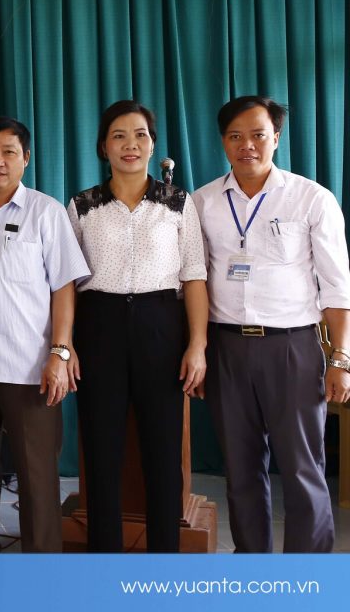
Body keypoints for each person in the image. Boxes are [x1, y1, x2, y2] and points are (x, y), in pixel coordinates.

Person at [193, 96, 350, 553]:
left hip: (292, 348)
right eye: (235, 136)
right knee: (240, 469)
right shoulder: (203, 202)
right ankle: (253, 569)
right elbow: (194, 280)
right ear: (223, 142)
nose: (247, 145)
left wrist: (341, 357)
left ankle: (307, 576)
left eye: (258, 135)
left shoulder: (311, 198)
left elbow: (337, 287)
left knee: (302, 469)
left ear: (276, 138)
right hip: (226, 347)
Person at [66, 101, 207, 553]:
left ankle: (163, 561)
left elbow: (194, 275)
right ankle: (104, 562)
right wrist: (65, 344)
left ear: (152, 144)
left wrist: (198, 345)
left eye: (140, 135)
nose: (131, 144)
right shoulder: (82, 206)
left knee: (163, 453)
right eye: (119, 135)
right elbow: (65, 282)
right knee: (101, 452)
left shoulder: (178, 203)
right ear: (103, 147)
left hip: (161, 327)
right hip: (99, 327)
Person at [0, 116, 90, 553]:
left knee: (36, 474)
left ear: (25, 158)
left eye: (9, 152)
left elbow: (64, 286)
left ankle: (40, 568)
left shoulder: (46, 212)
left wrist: (60, 352)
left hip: (30, 368)